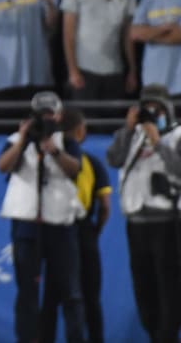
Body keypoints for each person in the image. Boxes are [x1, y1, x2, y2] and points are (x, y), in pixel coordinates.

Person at [0, 91, 85, 343]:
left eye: (50, 114)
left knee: (70, 293)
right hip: (26, 225)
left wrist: (54, 151)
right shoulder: (17, 139)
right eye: (42, 114)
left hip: (61, 225)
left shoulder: (67, 142)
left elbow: (74, 169)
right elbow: (3, 166)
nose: (47, 119)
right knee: (27, 292)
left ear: (59, 116)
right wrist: (24, 139)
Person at [106, 84, 181, 342]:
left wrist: (158, 141)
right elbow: (113, 159)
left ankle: (167, 336)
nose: (151, 113)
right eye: (146, 108)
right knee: (143, 286)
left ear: (167, 109)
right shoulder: (131, 135)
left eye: (157, 108)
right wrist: (129, 129)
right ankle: (153, 333)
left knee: (168, 286)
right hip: (136, 221)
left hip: (166, 222)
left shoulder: (177, 135)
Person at [42, 108, 111, 343]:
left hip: (53, 231)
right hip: (83, 231)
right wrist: (94, 231)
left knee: (52, 298)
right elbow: (105, 206)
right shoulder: (91, 163)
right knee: (89, 298)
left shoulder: (47, 157)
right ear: (81, 131)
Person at [61, 0, 137, 102]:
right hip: (85, 69)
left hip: (116, 69)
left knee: (113, 124)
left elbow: (128, 30)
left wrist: (132, 70)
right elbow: (68, 31)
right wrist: (72, 70)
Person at [130, 0, 181, 98]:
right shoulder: (148, 1)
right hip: (153, 81)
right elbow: (135, 34)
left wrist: (150, 34)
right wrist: (164, 28)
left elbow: (178, 36)